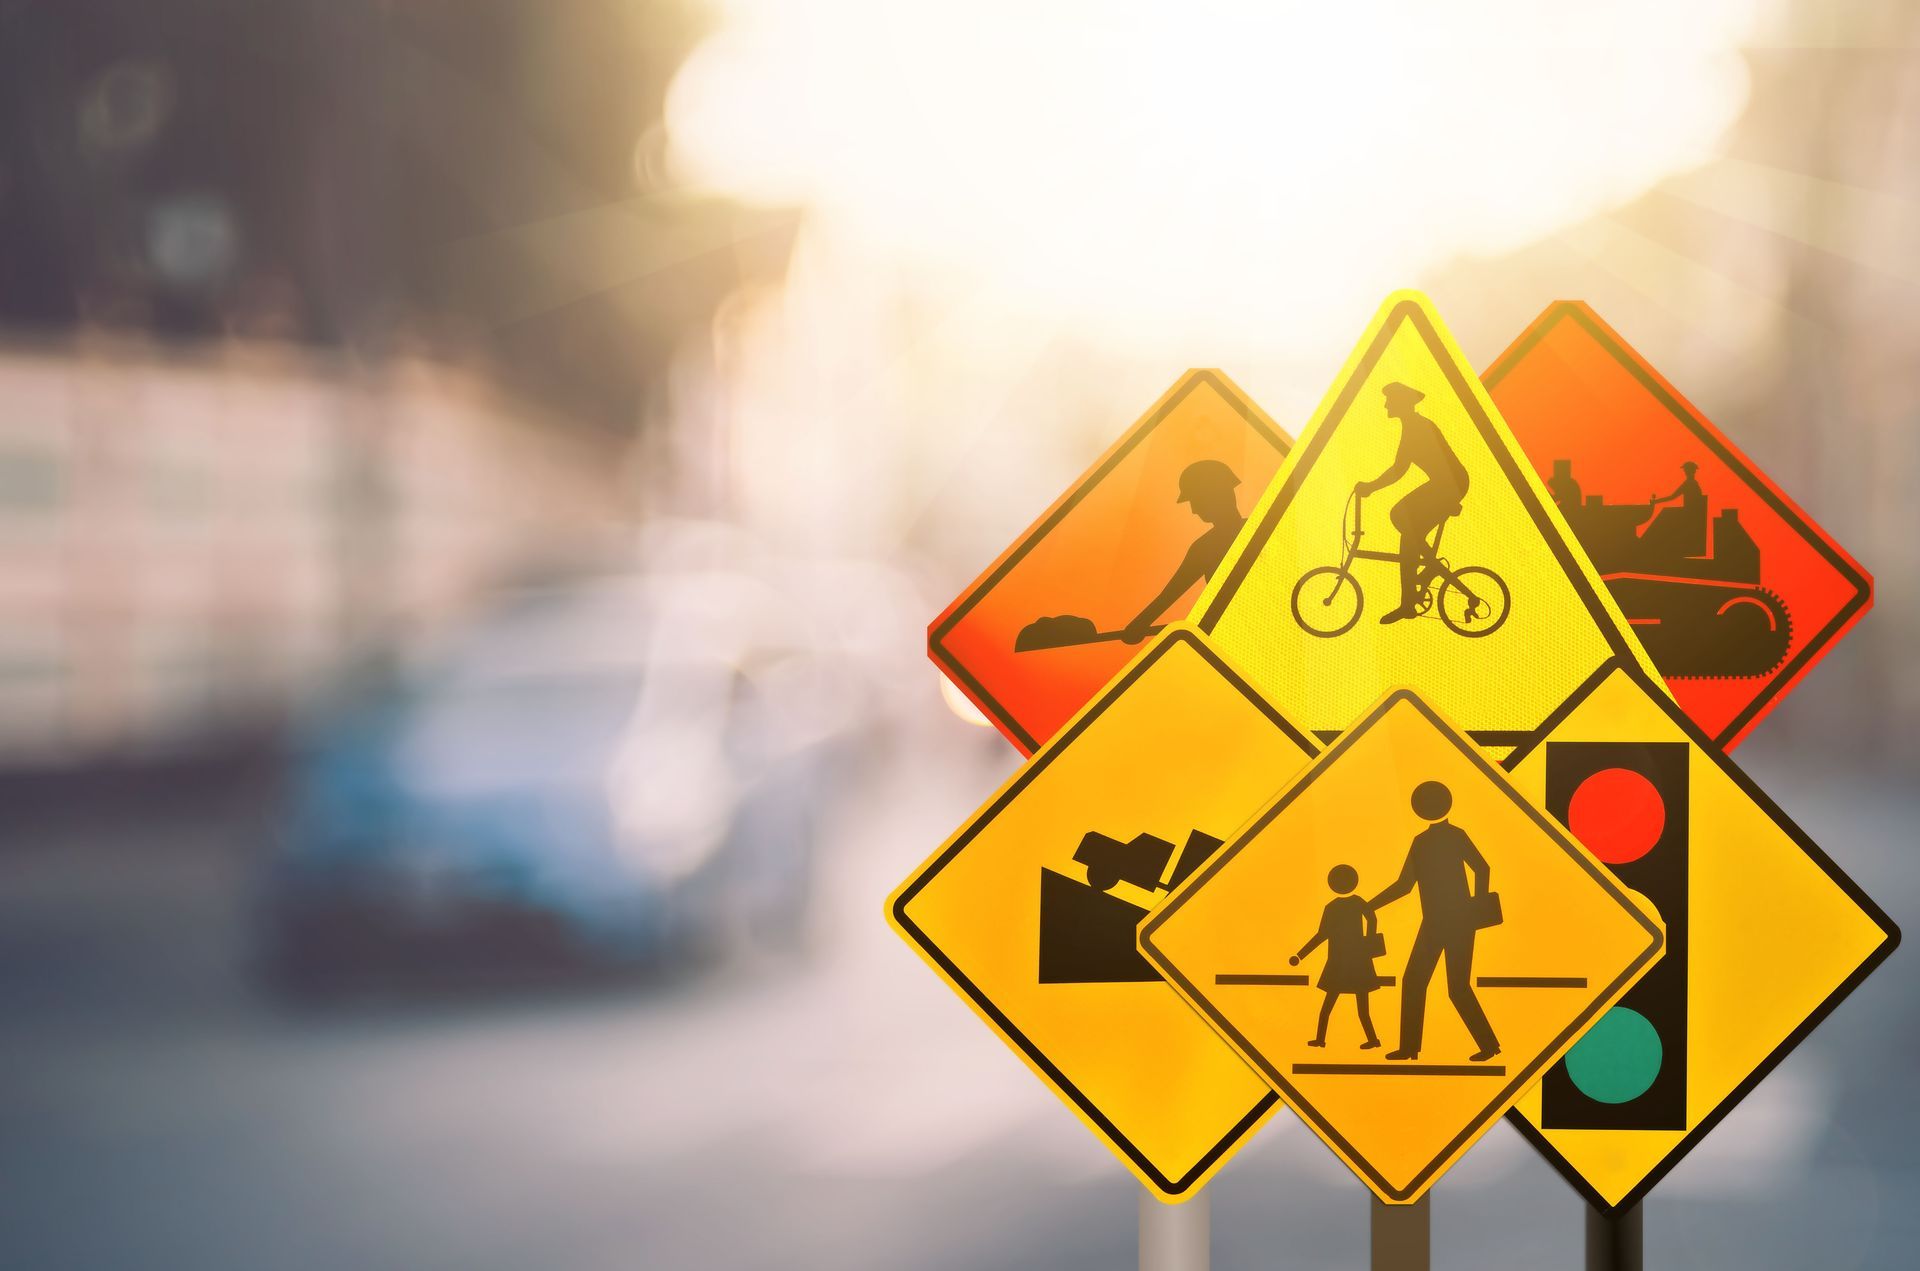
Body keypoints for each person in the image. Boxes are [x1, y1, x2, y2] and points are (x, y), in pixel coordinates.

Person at [1367, 781, 1500, 1062]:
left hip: (1454, 921)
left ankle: (1487, 1046)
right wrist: (1371, 905)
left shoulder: (1435, 839)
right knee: (1418, 981)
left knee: (1453, 986)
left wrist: (1475, 908)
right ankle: (1410, 1048)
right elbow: (1406, 885)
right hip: (1444, 922)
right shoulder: (1437, 839)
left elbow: (1404, 886)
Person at [1354, 382, 1469, 625]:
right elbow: (1400, 468)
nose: (1386, 404)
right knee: (1404, 529)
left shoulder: (1418, 427)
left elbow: (1399, 470)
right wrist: (1371, 487)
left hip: (1451, 485)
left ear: (1402, 403)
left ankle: (1422, 578)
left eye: (1390, 400)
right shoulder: (1411, 426)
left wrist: (1371, 487)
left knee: (1403, 521)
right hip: (1444, 484)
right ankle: (1418, 583)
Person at [1122, 459, 1245, 642]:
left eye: (1196, 500)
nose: (1194, 510)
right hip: (1236, 638)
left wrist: (1139, 625)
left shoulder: (1265, 530)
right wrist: (1139, 624)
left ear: (1216, 495)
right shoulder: (1204, 547)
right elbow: (1170, 595)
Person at [1290, 864, 1382, 1049]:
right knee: (1346, 1007)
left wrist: (1368, 941)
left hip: (1347, 962)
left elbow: (1322, 935)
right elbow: (1323, 934)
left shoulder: (1338, 906)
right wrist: (1301, 955)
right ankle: (1322, 1039)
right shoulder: (1349, 904)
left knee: (1350, 1007)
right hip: (1347, 962)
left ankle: (1372, 1040)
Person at [1640, 460, 1707, 558]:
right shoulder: (1693, 483)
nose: (1685, 472)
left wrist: (1656, 501)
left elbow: (1672, 497)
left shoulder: (1689, 483)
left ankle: (1655, 545)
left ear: (1689, 471)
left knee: (1666, 514)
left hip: (1690, 512)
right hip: (1691, 512)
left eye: (1686, 470)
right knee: (1667, 513)